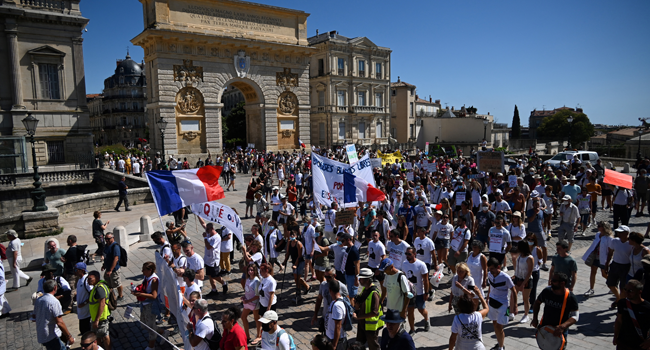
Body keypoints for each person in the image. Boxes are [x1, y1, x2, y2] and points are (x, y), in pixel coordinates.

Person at [531, 273, 579, 344]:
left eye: (554, 280)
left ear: (562, 283)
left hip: (559, 331)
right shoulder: (547, 291)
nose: (551, 282)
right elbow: (537, 302)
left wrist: (563, 326)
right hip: (545, 327)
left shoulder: (570, 297)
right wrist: (535, 318)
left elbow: (575, 316)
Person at [131, 262, 168, 350]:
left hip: (151, 305)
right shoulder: (146, 276)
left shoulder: (154, 280)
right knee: (144, 325)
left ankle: (151, 347)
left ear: (150, 270)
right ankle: (163, 332)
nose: (142, 271)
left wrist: (140, 294)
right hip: (144, 304)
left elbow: (154, 296)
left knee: (150, 327)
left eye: (144, 269)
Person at [35, 279, 75, 350]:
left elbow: (34, 315)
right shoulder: (54, 301)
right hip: (51, 336)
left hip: (42, 335)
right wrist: (69, 336)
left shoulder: (39, 300)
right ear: (55, 288)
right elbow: (60, 322)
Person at [487, 257, 516, 350]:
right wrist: (487, 298)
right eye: (489, 269)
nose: (490, 270)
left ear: (498, 267)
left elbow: (514, 291)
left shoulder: (506, 277)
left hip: (504, 305)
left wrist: (514, 306)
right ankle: (500, 343)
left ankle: (501, 347)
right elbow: (490, 286)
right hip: (492, 303)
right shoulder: (489, 274)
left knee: (500, 327)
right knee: (495, 324)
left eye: (492, 268)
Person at [613, 279, 650, 350]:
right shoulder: (622, 303)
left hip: (640, 344)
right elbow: (619, 320)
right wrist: (615, 336)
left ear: (639, 291)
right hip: (623, 342)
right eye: (625, 289)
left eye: (630, 291)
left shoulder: (647, 307)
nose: (626, 293)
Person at [312, 267, 349, 335]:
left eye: (328, 277)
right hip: (325, 317)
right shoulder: (323, 285)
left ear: (334, 276)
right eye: (325, 276)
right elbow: (319, 300)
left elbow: (347, 302)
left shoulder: (342, 286)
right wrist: (315, 315)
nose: (326, 279)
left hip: (336, 318)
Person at [352, 268, 383, 350]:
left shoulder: (374, 293)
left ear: (367, 280)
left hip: (370, 326)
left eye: (361, 279)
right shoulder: (364, 289)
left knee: (373, 346)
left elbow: (374, 312)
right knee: (358, 344)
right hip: (363, 323)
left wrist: (358, 317)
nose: (359, 280)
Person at [606, 225, 634, 309]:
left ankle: (621, 304)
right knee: (610, 284)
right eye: (618, 232)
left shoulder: (631, 244)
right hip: (615, 265)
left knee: (623, 287)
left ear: (627, 233)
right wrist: (607, 264)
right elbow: (610, 253)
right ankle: (618, 298)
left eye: (621, 232)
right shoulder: (614, 241)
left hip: (626, 267)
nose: (618, 234)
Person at [198, 218, 228, 296]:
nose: (206, 230)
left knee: (215, 275)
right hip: (208, 259)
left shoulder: (217, 237)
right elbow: (203, 223)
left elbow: (208, 247)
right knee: (210, 275)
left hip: (213, 259)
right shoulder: (208, 232)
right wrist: (197, 214)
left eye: (207, 229)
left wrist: (205, 238)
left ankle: (224, 283)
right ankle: (214, 289)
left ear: (212, 228)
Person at [283, 228, 311, 302]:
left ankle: (298, 294)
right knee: (296, 278)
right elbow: (288, 252)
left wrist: (295, 264)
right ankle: (307, 287)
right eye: (291, 235)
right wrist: (285, 261)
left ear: (296, 236)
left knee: (297, 278)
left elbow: (300, 256)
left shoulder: (298, 244)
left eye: (293, 235)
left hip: (300, 262)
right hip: (294, 261)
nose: (292, 236)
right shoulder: (289, 242)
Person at [87, 271, 111, 350]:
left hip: (100, 318)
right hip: (99, 317)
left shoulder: (99, 289)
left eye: (90, 279)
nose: (88, 280)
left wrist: (96, 320)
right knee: (101, 336)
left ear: (97, 278)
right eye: (87, 278)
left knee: (103, 336)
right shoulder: (97, 287)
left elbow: (102, 303)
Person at [512, 240, 534, 324]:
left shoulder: (529, 258)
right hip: (518, 278)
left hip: (526, 280)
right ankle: (512, 312)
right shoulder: (520, 256)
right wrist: (514, 275)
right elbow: (517, 267)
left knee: (525, 299)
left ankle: (526, 314)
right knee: (513, 295)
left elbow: (529, 273)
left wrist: (523, 284)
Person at [241, 264, 262, 344]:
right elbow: (247, 290)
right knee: (243, 317)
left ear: (255, 271)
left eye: (252, 270)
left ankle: (258, 335)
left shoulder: (256, 281)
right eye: (249, 270)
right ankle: (247, 336)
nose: (250, 271)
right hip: (247, 301)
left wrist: (248, 300)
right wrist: (244, 297)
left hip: (254, 303)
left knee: (256, 319)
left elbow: (257, 296)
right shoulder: (248, 278)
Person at [326, 281, 348, 350]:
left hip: (336, 340)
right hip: (332, 337)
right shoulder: (335, 302)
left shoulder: (337, 305)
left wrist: (334, 345)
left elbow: (338, 326)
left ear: (330, 290)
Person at [101, 233, 123, 301]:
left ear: (113, 238)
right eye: (106, 239)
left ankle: (121, 296)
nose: (107, 240)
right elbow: (106, 256)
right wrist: (104, 265)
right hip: (108, 268)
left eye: (108, 239)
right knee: (108, 283)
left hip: (114, 269)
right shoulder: (106, 246)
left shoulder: (115, 247)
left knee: (117, 283)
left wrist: (110, 270)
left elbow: (116, 259)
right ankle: (111, 296)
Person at [74, 262, 93, 336]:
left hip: (86, 311)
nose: (74, 271)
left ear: (82, 270)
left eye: (76, 270)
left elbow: (93, 293)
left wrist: (84, 303)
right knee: (83, 330)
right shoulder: (80, 279)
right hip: (81, 311)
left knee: (85, 330)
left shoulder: (86, 280)